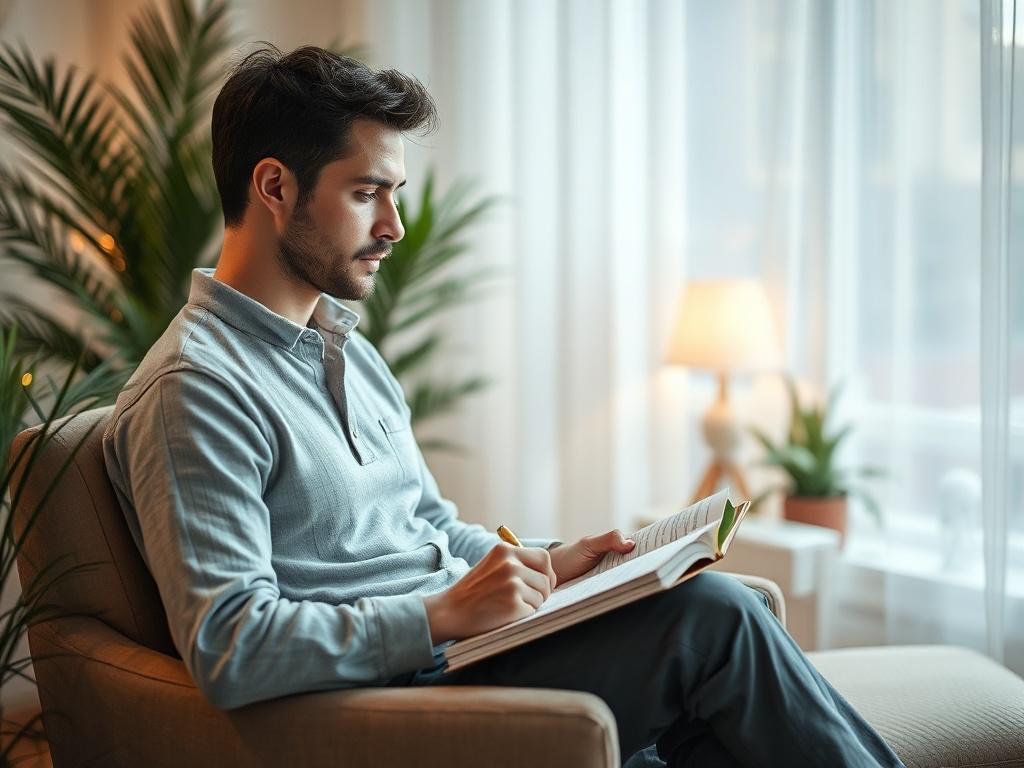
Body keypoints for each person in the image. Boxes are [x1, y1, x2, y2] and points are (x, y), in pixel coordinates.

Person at [102, 44, 904, 768]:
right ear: (275, 186)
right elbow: (230, 644)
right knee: (712, 620)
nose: (394, 226)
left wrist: (549, 564)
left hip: (466, 654)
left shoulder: (348, 351)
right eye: (367, 193)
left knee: (717, 713)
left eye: (395, 193)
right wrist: (441, 613)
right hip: (393, 701)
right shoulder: (197, 389)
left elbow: (429, 526)